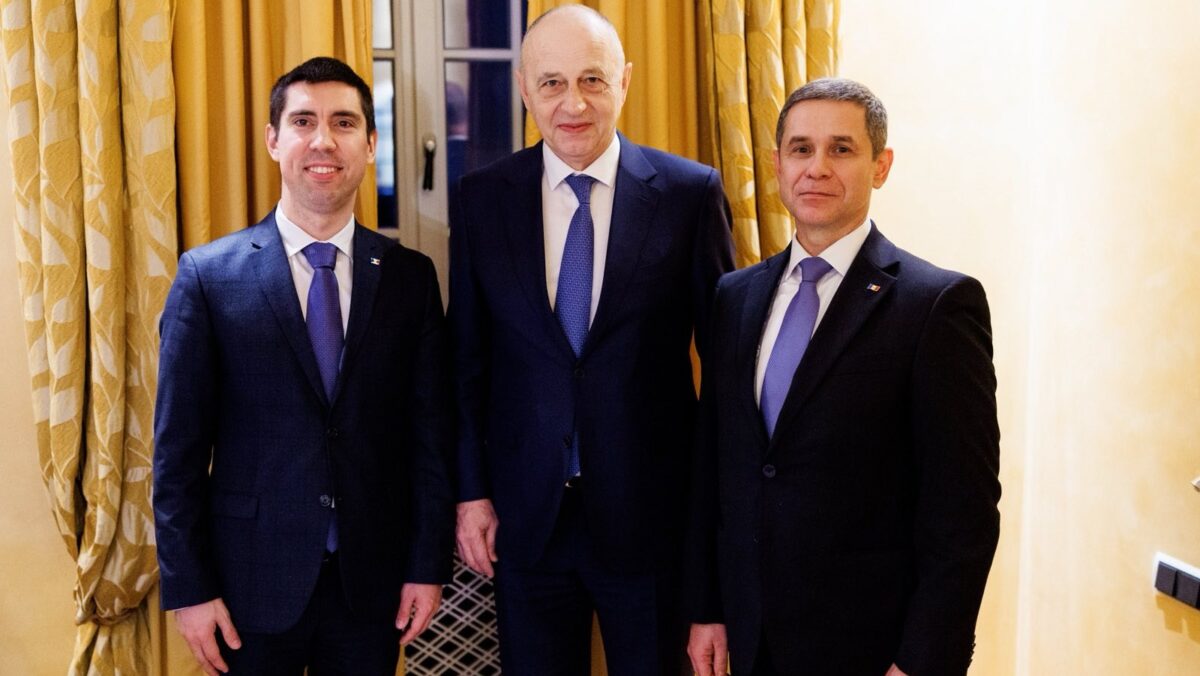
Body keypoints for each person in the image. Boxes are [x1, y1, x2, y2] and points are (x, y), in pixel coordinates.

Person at [449, 6, 734, 675]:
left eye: (592, 80)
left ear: (624, 81)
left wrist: (711, 527)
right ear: (524, 89)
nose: (572, 104)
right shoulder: (483, 198)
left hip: (652, 519)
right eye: (552, 83)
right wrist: (470, 493)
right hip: (527, 520)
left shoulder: (689, 194)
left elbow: (725, 370)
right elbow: (465, 362)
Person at [685, 78, 1001, 676]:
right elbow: (716, 467)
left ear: (881, 166)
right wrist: (708, 608)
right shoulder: (736, 297)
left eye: (842, 149)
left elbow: (964, 513)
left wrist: (923, 659)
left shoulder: (936, 306)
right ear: (777, 165)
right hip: (751, 639)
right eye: (801, 149)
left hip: (869, 647)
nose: (817, 168)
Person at [153, 56, 453, 676]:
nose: (323, 141)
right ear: (273, 139)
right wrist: (189, 589)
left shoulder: (410, 279)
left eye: (344, 123)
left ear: (370, 144)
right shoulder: (208, 277)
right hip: (247, 589)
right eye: (303, 121)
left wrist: (427, 567)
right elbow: (176, 453)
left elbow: (430, 439)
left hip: (372, 588)